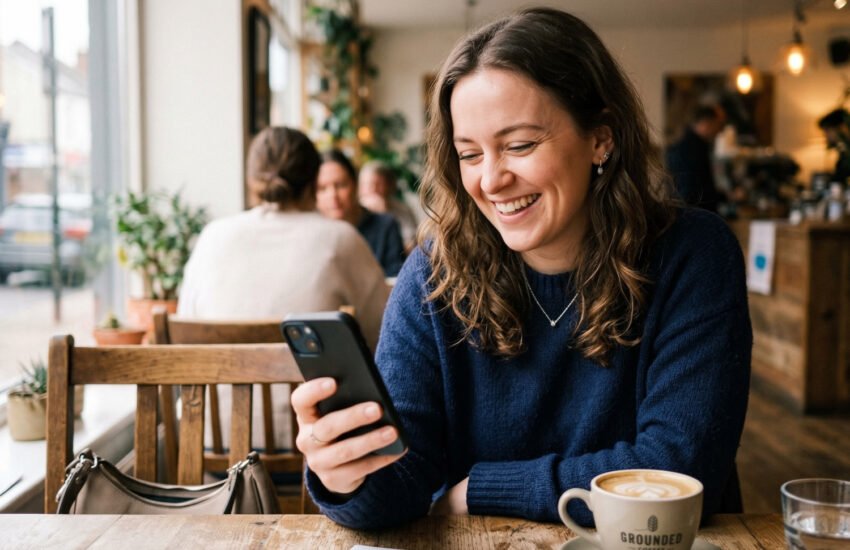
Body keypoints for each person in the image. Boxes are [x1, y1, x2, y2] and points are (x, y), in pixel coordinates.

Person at [292, 7, 751, 530]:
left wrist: (479, 491)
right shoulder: (432, 277)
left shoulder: (693, 256)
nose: (490, 181)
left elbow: (678, 471)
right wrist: (346, 475)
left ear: (601, 138)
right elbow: (400, 486)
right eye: (469, 154)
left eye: (520, 145)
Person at [179, 126, 390, 452]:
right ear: (312, 180)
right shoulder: (339, 239)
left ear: (252, 178)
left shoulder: (212, 237)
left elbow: (185, 342)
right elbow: (386, 339)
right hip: (314, 451)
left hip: (212, 449)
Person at [316, 150, 406, 277]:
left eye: (341, 185)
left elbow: (396, 279)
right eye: (322, 188)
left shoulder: (386, 226)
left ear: (355, 185)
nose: (333, 195)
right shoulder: (312, 233)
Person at [665, 104, 727, 213]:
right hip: (696, 212)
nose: (718, 130)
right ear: (707, 122)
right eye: (717, 124)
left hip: (687, 210)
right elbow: (694, 188)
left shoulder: (687, 143)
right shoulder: (693, 148)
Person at [358, 160, 420, 252]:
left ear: (389, 186)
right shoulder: (355, 212)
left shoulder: (402, 210)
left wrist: (385, 217)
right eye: (367, 184)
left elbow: (411, 246)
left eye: (378, 184)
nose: (373, 189)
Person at [817, 107, 850, 184]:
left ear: (841, 128)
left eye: (827, 130)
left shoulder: (847, 154)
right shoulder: (842, 151)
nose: (825, 135)